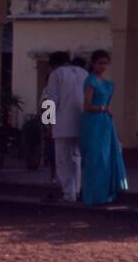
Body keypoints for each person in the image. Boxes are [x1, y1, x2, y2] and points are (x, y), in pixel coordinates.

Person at [79, 49, 128, 206]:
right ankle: (93, 195)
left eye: (105, 63)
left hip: (106, 123)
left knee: (107, 157)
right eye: (100, 63)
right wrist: (102, 109)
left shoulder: (107, 84)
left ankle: (105, 193)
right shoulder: (90, 81)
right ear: (93, 63)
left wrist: (105, 111)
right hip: (94, 122)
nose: (103, 66)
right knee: (95, 157)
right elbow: (87, 106)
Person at [42, 51, 88, 202]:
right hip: (82, 122)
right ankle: (76, 189)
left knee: (63, 160)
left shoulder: (56, 74)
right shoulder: (84, 73)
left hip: (62, 123)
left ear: (53, 64)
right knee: (76, 157)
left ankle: (69, 193)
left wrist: (48, 123)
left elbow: (51, 100)